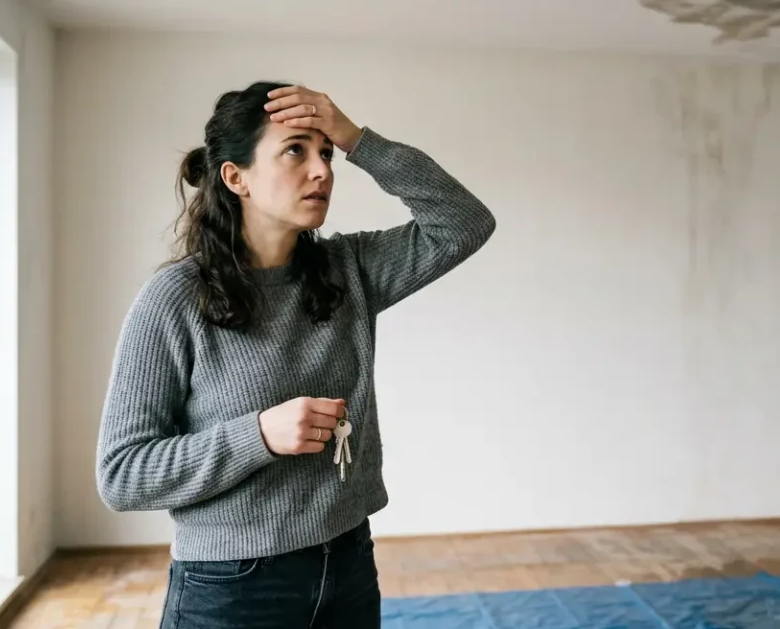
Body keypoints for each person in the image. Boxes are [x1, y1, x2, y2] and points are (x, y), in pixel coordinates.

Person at [94, 81, 495, 628]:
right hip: (231, 585)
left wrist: (357, 139)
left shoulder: (349, 270)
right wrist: (256, 436)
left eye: (325, 152)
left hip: (348, 563)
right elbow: (122, 475)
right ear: (236, 177)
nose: (323, 170)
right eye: (295, 150)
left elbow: (464, 223)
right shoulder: (174, 301)